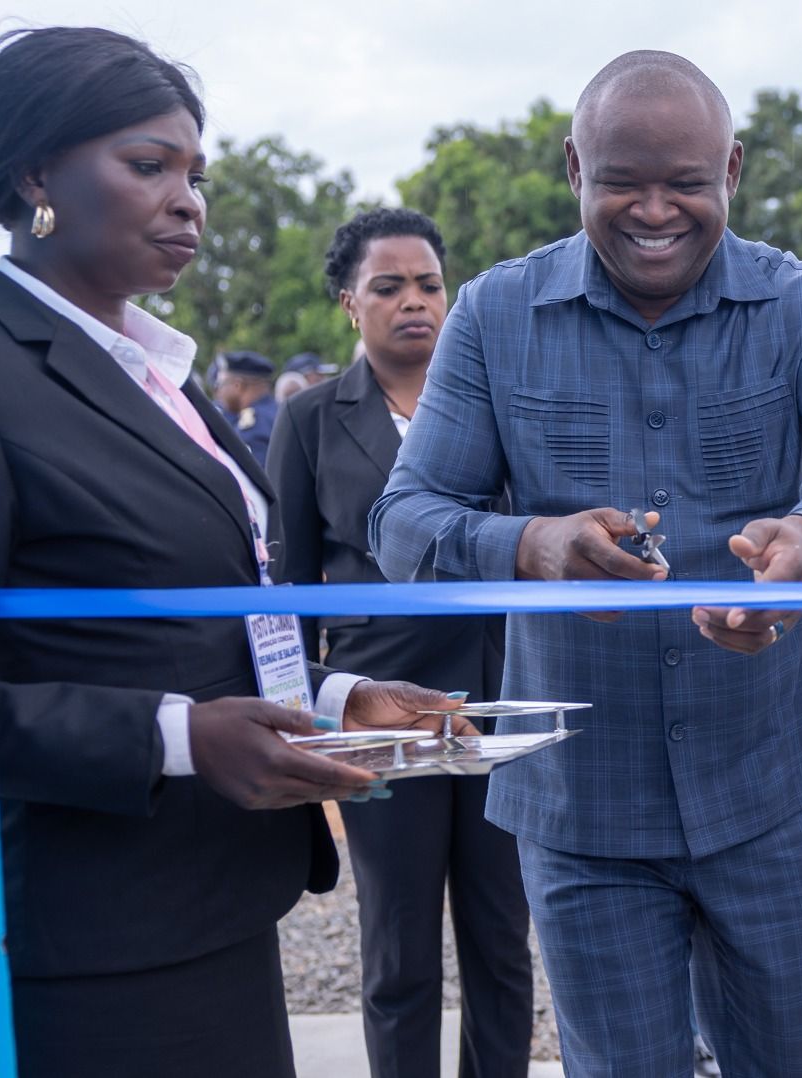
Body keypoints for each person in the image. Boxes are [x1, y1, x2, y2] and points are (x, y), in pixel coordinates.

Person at [369, 50, 802, 1077]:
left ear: (733, 171)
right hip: (585, 805)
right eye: (623, 181)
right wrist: (529, 545)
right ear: (574, 167)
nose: (655, 211)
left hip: (774, 784)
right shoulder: (494, 315)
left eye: (687, 183)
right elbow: (402, 520)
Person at [0, 27, 470, 1078]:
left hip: (219, 899)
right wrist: (176, 739)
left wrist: (335, 698)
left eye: (196, 174)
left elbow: (198, 621)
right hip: (91, 934)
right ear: (35, 175)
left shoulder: (153, 371)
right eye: (149, 166)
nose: (188, 202)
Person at [266, 208, 534, 1078]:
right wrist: (307, 717)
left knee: (502, 937)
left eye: (428, 284)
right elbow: (290, 590)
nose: (413, 301)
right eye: (388, 287)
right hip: (377, 715)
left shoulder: (497, 405)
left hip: (492, 704)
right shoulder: (310, 420)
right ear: (351, 304)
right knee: (399, 943)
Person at [214, 349, 279, 464]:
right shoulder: (277, 411)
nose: (218, 391)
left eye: (220, 384)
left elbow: (255, 472)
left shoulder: (253, 425)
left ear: (237, 385)